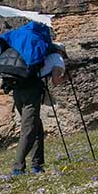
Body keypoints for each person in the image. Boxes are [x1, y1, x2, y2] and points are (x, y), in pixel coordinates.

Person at [12, 41, 67, 176]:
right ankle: (18, 168)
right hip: (31, 92)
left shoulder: (37, 56)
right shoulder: (57, 58)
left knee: (37, 128)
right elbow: (56, 81)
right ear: (61, 51)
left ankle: (37, 165)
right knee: (29, 129)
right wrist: (65, 77)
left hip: (17, 90)